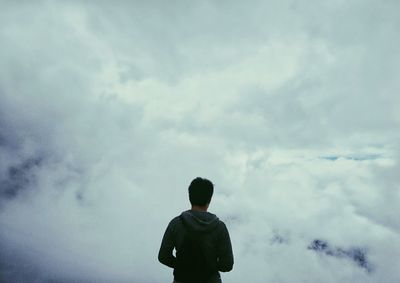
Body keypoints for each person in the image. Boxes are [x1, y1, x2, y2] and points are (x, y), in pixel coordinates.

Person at [158, 177, 234, 283]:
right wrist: (208, 267)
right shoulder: (219, 227)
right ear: (210, 199)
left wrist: (183, 266)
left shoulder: (176, 223)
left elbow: (163, 256)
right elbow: (227, 265)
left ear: (190, 197)